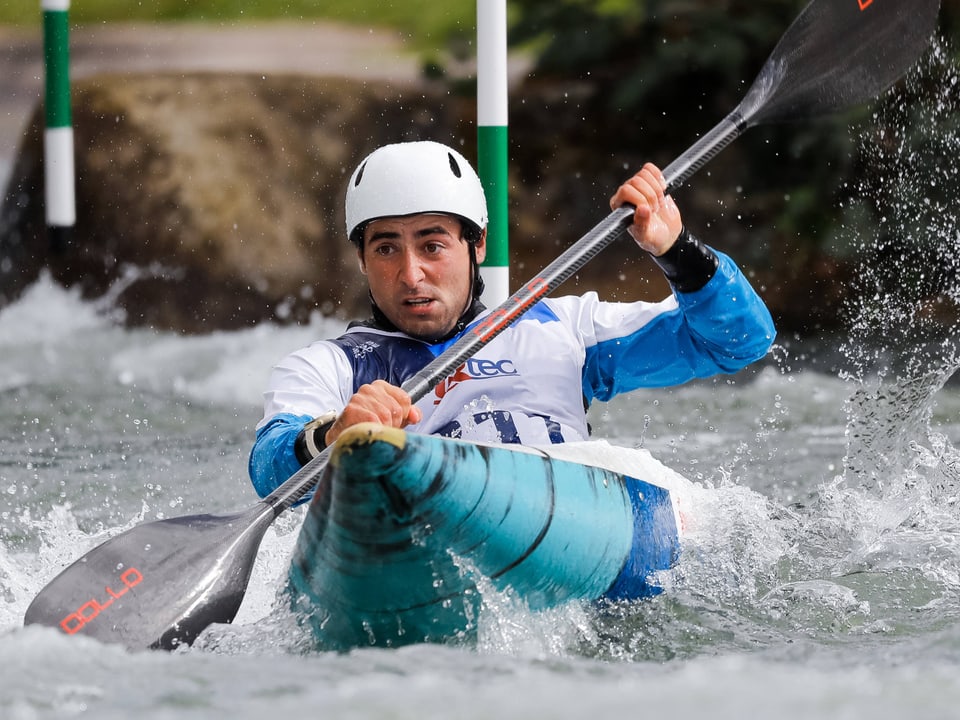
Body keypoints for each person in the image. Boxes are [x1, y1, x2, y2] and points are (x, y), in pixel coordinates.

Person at [248, 140, 775, 496]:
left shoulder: (564, 331)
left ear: (477, 245)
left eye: (433, 245)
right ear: (361, 259)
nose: (411, 274)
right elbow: (271, 468)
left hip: (574, 511)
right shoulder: (330, 368)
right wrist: (333, 434)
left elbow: (739, 341)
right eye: (386, 250)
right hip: (430, 522)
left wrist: (678, 252)